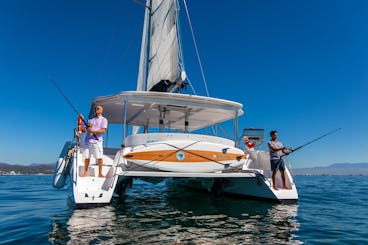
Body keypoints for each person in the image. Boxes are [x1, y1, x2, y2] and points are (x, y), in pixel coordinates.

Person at [81, 105, 108, 177]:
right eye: (96, 108)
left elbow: (103, 130)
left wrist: (94, 131)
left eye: (98, 108)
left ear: (101, 111)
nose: (97, 109)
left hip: (97, 141)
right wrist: (82, 128)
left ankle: (100, 173)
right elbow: (85, 129)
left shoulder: (104, 119)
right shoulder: (90, 120)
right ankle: (85, 172)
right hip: (87, 141)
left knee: (99, 157)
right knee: (86, 157)